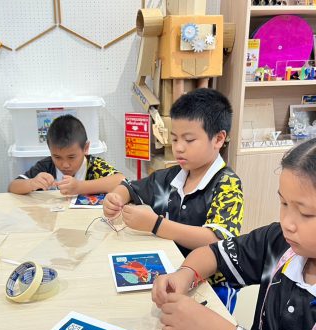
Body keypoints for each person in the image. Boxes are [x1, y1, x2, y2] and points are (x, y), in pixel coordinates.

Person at [152, 138, 316, 330]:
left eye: (306, 214)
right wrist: (184, 275)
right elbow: (212, 254)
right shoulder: (277, 243)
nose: (288, 222)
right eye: (284, 204)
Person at [103, 88, 244, 311]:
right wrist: (115, 197)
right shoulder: (173, 176)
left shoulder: (228, 185)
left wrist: (156, 225)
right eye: (175, 138)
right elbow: (130, 187)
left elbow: (215, 240)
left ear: (218, 139)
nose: (178, 147)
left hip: (212, 287)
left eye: (189, 140)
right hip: (171, 275)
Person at [8, 114, 124, 195]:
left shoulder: (95, 166)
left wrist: (79, 187)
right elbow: (12, 187)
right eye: (57, 157)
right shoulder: (46, 166)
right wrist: (31, 183)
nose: (65, 165)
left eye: (71, 157)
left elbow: (121, 181)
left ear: (86, 148)